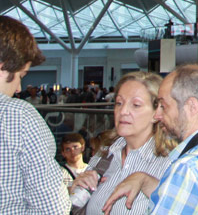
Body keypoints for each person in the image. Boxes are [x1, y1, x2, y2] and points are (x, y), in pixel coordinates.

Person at [102, 64, 198, 215]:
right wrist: (144, 180)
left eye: (164, 106)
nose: (157, 115)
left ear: (191, 106)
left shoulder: (187, 168)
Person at [70, 72, 175, 215]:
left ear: (156, 113)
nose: (123, 111)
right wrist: (75, 190)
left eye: (136, 105)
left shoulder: (170, 164)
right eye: (119, 103)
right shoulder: (104, 155)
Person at [0, 16, 70, 214]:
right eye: (21, 76)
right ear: (3, 66)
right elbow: (52, 208)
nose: (18, 88)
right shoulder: (18, 116)